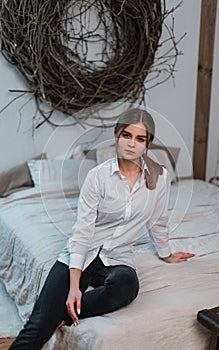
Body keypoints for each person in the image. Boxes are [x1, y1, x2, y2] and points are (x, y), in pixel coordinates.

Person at [9, 108, 194, 350]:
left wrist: (166, 253)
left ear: (148, 144)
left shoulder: (160, 178)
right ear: (117, 135)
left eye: (140, 139)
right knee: (36, 328)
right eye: (127, 135)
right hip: (82, 254)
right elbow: (82, 232)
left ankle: (60, 316)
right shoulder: (98, 177)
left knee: (127, 285)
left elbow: (158, 220)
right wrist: (74, 288)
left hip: (118, 257)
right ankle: (49, 319)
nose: (131, 144)